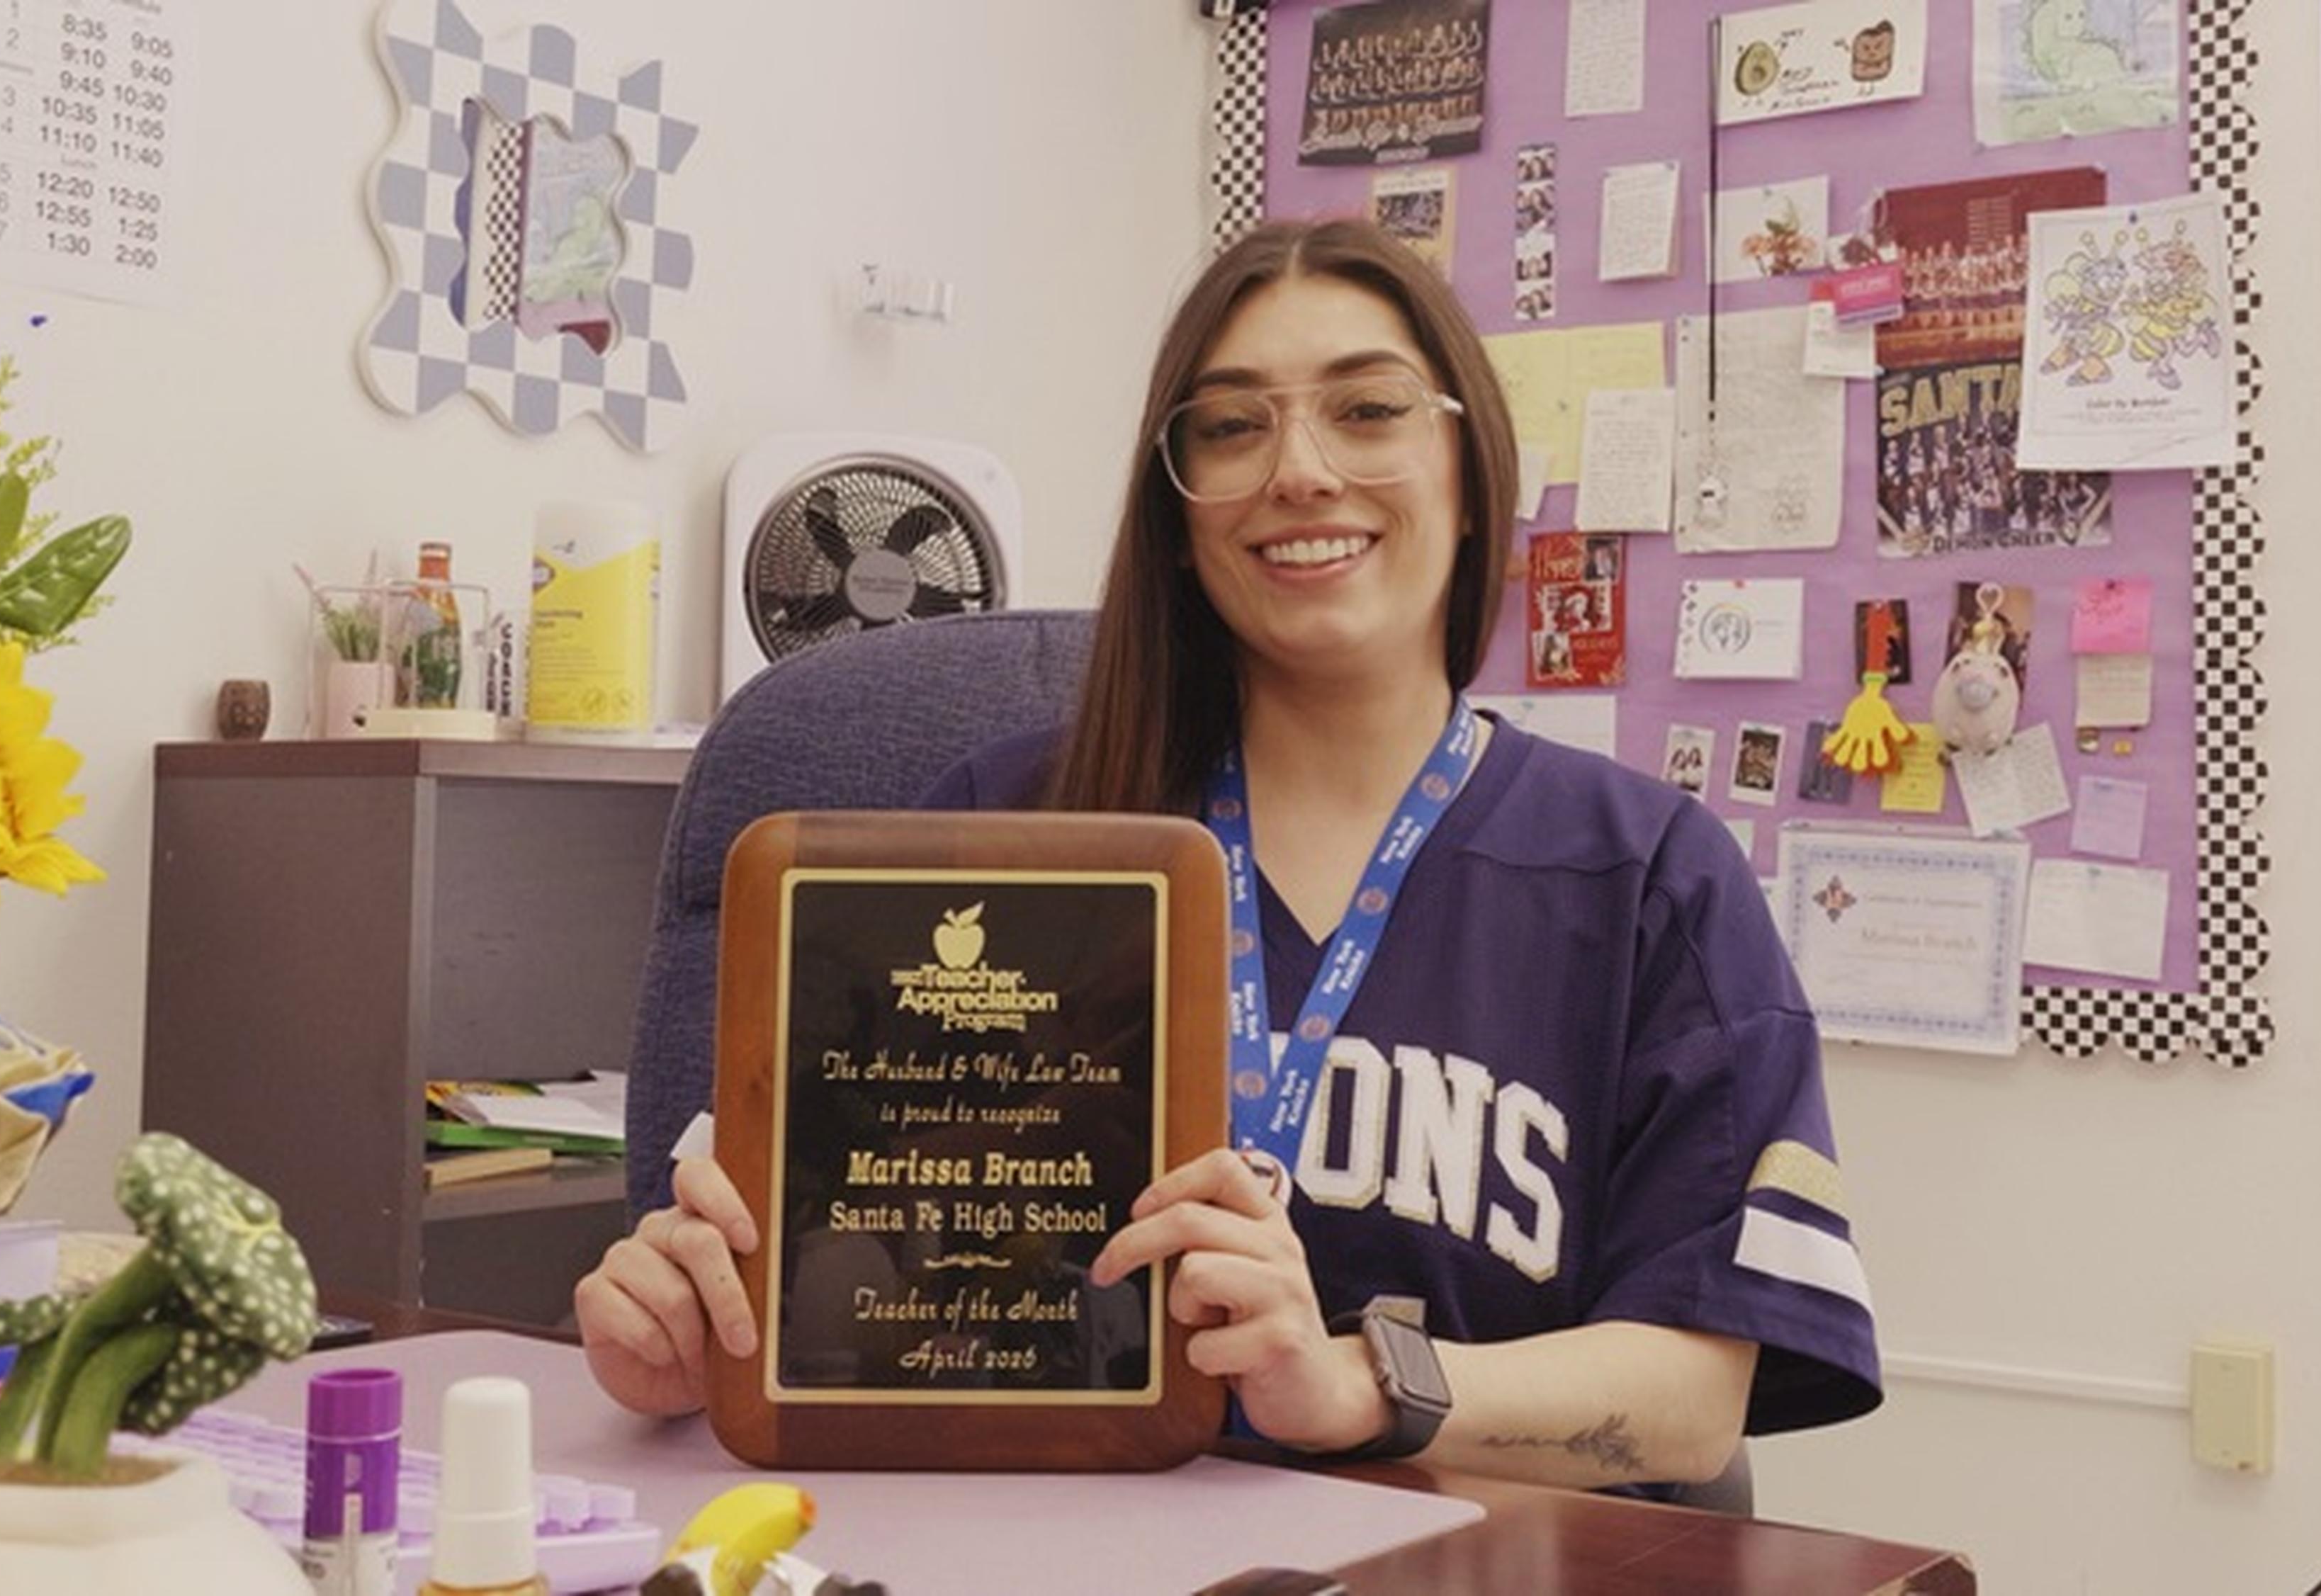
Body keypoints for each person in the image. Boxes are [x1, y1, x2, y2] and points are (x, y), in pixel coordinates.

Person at [575, 219, 1880, 1492]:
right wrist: (690, 1329)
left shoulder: (1654, 878)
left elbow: (1697, 1404)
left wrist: (1359, 1386)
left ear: (1471, 469)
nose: (1299, 470)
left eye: (1367, 410)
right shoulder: (1007, 830)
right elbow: (833, 1274)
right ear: (1179, 511)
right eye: (1233, 425)